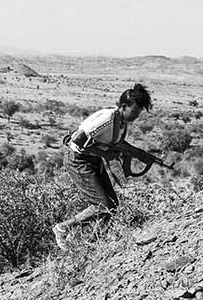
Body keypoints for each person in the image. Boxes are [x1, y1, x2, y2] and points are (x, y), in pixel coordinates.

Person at [52, 85, 157, 245]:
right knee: (103, 205)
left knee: (112, 205)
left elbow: (118, 143)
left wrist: (140, 154)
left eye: (138, 112)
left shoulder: (121, 122)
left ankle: (95, 242)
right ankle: (63, 228)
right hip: (79, 160)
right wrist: (106, 154)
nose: (136, 116)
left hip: (93, 161)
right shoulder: (107, 118)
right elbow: (79, 140)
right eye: (134, 111)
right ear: (123, 107)